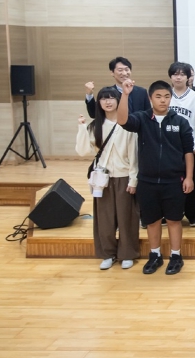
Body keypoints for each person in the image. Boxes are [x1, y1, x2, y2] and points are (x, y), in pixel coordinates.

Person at [117, 79, 194, 275]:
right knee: (152, 221)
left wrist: (189, 177)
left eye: (167, 96)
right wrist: (125, 95)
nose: (163, 100)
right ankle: (155, 255)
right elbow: (122, 120)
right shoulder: (142, 119)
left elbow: (188, 151)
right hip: (147, 181)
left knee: (174, 220)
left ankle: (176, 256)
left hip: (174, 181)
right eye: (158, 96)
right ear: (150, 98)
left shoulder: (180, 121)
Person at [76, 87, 140, 270]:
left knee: (126, 217)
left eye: (112, 98)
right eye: (104, 98)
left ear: (119, 101)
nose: (108, 101)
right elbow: (82, 151)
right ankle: (107, 254)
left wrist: (133, 180)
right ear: (99, 103)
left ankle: (127, 253)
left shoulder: (127, 125)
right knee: (104, 219)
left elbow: (134, 155)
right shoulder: (95, 126)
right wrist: (82, 128)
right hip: (101, 179)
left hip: (123, 176)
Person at [168, 62, 195, 227]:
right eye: (175, 74)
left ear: (188, 77)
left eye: (182, 74)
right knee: (170, 184)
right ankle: (172, 213)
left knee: (192, 182)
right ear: (170, 77)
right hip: (170, 150)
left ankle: (192, 214)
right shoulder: (166, 95)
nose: (178, 77)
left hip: (191, 150)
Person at [84, 56, 150, 119]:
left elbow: (149, 115)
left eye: (127, 69)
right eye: (120, 70)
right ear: (112, 73)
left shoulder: (142, 92)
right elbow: (93, 114)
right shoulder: (108, 93)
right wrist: (89, 94)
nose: (124, 73)